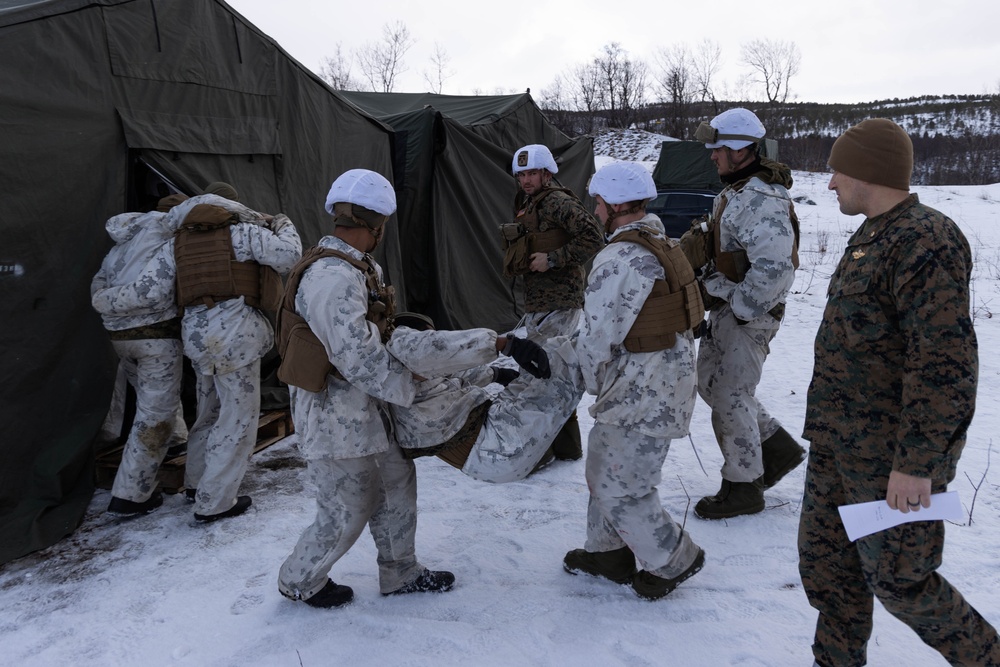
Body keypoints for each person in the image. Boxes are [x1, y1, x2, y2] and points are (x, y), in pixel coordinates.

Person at [798, 118, 1000, 667]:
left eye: (839, 168)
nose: (832, 181)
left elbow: (945, 365)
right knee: (830, 576)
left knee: (903, 582)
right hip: (838, 448)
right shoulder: (870, 235)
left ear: (868, 170)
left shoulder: (925, 240)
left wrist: (918, 464)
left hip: (890, 459)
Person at [275, 169, 454, 608]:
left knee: (395, 482)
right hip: (335, 413)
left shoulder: (356, 266)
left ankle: (400, 572)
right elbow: (355, 355)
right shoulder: (331, 277)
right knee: (347, 505)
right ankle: (299, 580)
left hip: (365, 407)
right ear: (376, 224)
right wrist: (411, 383)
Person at [563, 161, 705, 600]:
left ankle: (672, 558)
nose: (595, 209)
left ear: (613, 204)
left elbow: (595, 339)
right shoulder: (663, 242)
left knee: (621, 483)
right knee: (605, 464)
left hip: (642, 389)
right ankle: (607, 551)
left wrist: (585, 381)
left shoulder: (620, 257)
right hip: (658, 379)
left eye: (598, 202)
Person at [686, 107, 805, 520]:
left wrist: (740, 311)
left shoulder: (759, 197)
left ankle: (743, 486)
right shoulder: (735, 191)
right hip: (729, 309)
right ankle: (775, 449)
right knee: (711, 386)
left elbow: (775, 268)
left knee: (731, 396)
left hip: (748, 315)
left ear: (739, 149)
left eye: (717, 147)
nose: (711, 155)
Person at [168, 192, 302, 522]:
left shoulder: (181, 241)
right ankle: (215, 501)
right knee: (238, 419)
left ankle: (196, 483)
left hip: (197, 336)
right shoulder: (242, 232)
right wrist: (282, 222)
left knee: (208, 411)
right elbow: (290, 256)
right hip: (233, 334)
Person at [384, 314, 583, 484]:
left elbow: (456, 374)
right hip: (496, 446)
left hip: (491, 444)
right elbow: (438, 348)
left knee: (548, 357)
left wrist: (497, 374)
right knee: (571, 356)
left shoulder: (409, 379)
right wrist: (507, 345)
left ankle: (562, 449)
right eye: (428, 334)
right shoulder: (401, 345)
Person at [501, 144, 604, 461]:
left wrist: (554, 258)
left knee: (544, 369)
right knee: (551, 369)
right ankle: (566, 444)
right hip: (540, 299)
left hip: (560, 298)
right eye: (522, 174)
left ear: (547, 173)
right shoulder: (530, 202)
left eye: (532, 173)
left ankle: (544, 446)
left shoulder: (558, 201)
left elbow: (593, 236)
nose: (526, 180)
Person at [92, 195, 188, 515]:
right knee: (154, 413)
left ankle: (176, 438)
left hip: (119, 338)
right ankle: (131, 495)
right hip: (156, 336)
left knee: (151, 400)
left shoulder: (122, 244)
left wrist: (111, 308)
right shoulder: (169, 240)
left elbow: (98, 286)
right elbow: (155, 290)